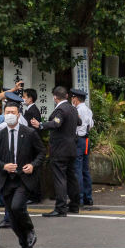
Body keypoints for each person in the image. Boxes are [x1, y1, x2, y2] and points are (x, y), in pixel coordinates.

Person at [0, 102, 45, 248]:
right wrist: (3, 166)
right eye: (7, 112)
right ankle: (25, 244)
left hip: (23, 179)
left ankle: (30, 230)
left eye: (13, 112)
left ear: (18, 115)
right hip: (6, 180)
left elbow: (41, 153)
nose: (10, 115)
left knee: (17, 207)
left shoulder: (29, 133)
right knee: (12, 217)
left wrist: (33, 165)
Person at [32, 86, 80, 217]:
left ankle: (60, 208)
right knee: (71, 177)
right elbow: (79, 122)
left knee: (60, 178)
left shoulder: (60, 109)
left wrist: (41, 125)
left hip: (60, 150)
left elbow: (56, 123)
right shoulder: (72, 109)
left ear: (55, 97)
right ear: (66, 96)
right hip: (71, 148)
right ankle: (75, 205)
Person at [70, 88, 94, 206]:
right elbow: (91, 125)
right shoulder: (88, 110)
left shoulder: (76, 110)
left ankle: (78, 198)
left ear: (76, 99)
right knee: (85, 170)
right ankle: (88, 197)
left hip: (78, 140)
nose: (72, 100)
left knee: (77, 170)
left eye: (72, 98)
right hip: (86, 140)